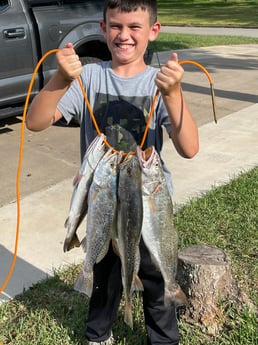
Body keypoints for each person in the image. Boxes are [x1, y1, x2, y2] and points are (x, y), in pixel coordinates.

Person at [26, 0, 199, 344]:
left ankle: (163, 337)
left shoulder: (158, 83)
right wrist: (61, 77)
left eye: (135, 27)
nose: (125, 35)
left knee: (152, 272)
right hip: (103, 203)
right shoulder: (88, 77)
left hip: (147, 205)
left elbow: (189, 148)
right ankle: (97, 334)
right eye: (116, 26)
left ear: (153, 31)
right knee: (104, 276)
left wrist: (174, 93)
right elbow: (35, 122)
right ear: (103, 29)